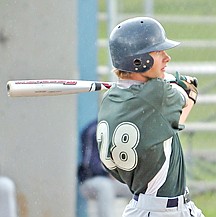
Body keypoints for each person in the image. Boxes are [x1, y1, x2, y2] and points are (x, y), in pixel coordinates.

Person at [96, 17, 205, 217]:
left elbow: (174, 124)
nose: (167, 58)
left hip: (143, 205)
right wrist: (184, 85)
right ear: (138, 61)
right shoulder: (158, 94)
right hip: (164, 211)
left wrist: (170, 85)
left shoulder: (110, 99)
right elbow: (188, 96)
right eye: (158, 52)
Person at [78, 119, 132, 217]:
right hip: (91, 180)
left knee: (136, 188)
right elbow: (89, 164)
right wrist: (110, 172)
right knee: (105, 187)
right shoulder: (92, 129)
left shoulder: (121, 128)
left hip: (114, 180)